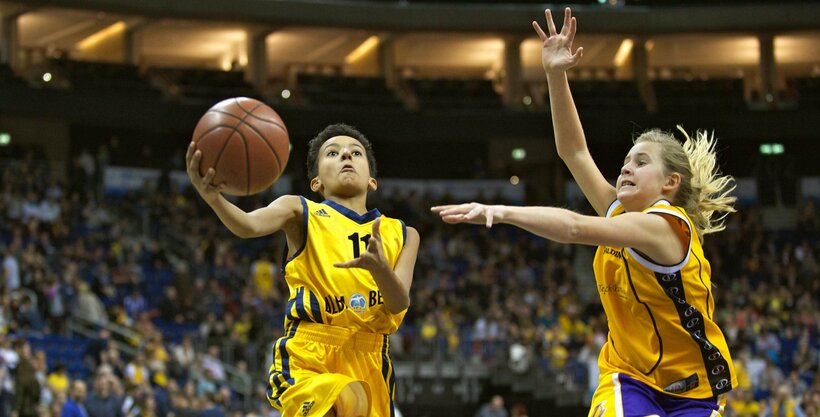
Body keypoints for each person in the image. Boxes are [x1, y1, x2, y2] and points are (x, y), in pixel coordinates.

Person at [433, 8, 737, 417]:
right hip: (629, 377)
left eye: (641, 162)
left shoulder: (665, 228)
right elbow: (574, 152)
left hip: (694, 388)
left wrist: (502, 210)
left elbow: (575, 228)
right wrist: (555, 75)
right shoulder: (619, 212)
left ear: (670, 184)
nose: (626, 167)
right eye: (626, 160)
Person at [186, 123, 420, 417]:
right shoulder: (300, 210)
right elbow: (247, 226)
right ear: (316, 183)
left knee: (352, 401)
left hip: (372, 358)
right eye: (333, 153)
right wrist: (214, 199)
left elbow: (399, 303)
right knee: (339, 401)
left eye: (355, 152)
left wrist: (380, 269)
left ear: (372, 180)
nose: (346, 155)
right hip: (310, 351)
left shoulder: (404, 233)